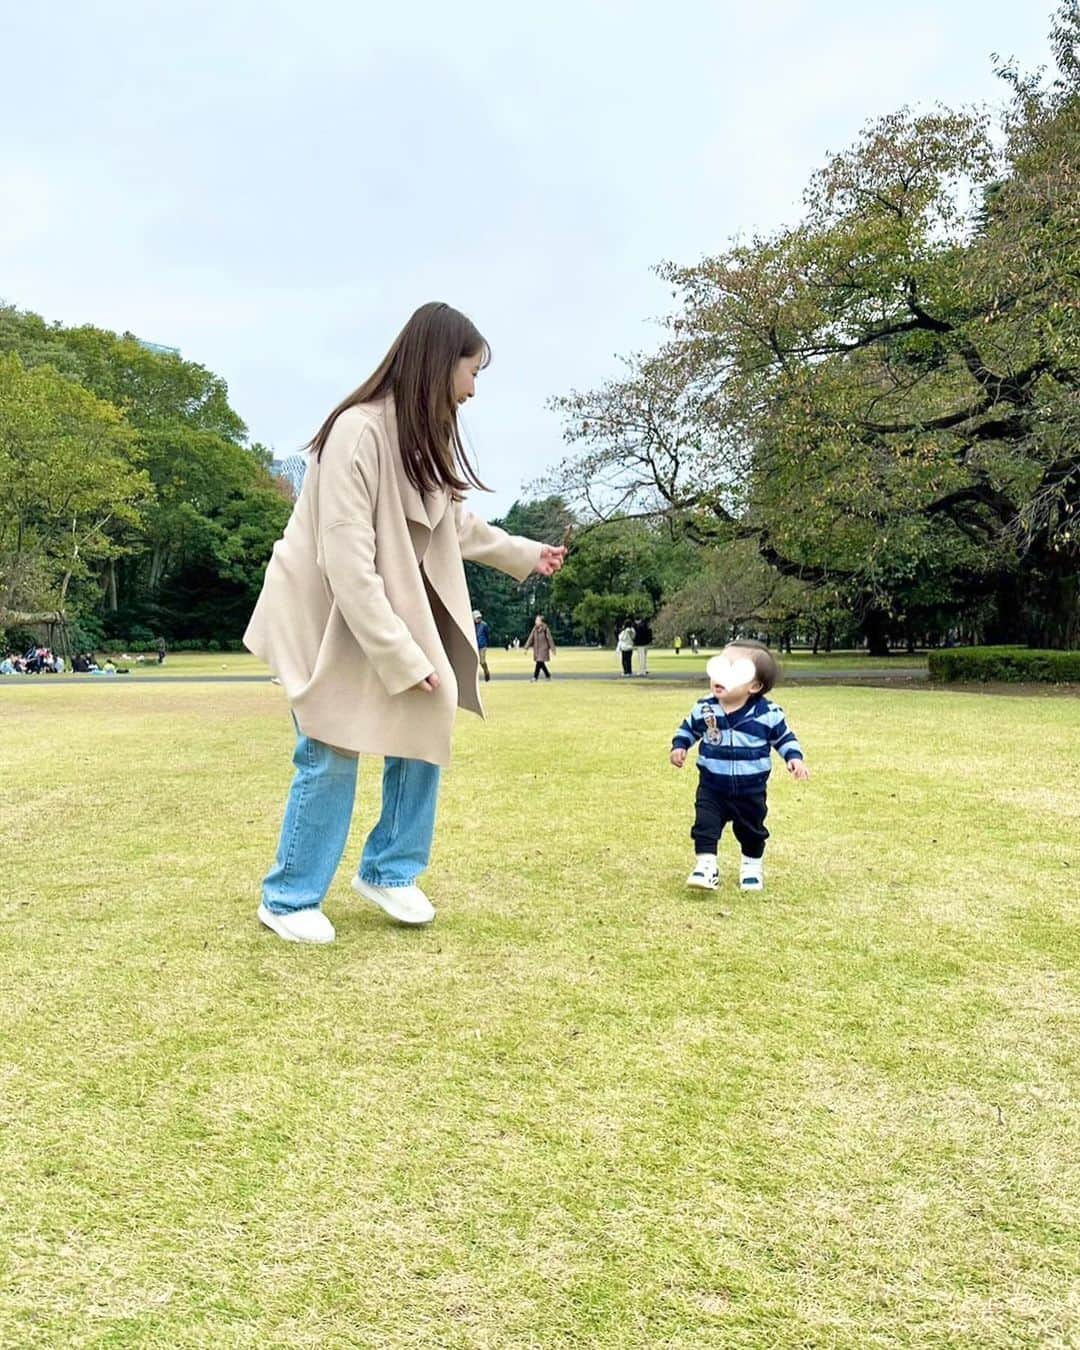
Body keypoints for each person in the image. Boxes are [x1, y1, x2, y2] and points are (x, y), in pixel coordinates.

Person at [244, 302, 566, 945]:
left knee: (430, 708)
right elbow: (344, 560)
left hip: (378, 607)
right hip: (324, 614)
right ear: (437, 362)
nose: (473, 388)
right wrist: (401, 653)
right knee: (329, 748)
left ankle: (390, 869)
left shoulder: (424, 436)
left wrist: (526, 554)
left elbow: (455, 524)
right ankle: (288, 897)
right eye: (471, 371)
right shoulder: (356, 432)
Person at [669, 639, 809, 893]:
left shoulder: (768, 713)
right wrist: (680, 745)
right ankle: (706, 866)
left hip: (751, 789)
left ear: (754, 686)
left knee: (752, 831)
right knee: (705, 825)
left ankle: (751, 865)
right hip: (712, 785)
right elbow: (688, 727)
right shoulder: (705, 708)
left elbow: (784, 737)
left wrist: (794, 758)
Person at [524, 614, 555, 680]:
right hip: (537, 649)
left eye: (537, 620)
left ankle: (535, 677)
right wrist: (526, 648)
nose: (536, 621)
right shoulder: (534, 629)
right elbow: (530, 638)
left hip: (544, 648)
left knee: (539, 662)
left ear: (541, 622)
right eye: (536, 620)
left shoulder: (545, 629)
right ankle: (548, 675)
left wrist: (553, 649)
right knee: (541, 663)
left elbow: (550, 639)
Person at [473, 609, 491, 682]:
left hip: (482, 646)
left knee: (482, 661)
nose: (478, 619)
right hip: (474, 646)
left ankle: (486, 672)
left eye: (479, 617)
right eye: (477, 618)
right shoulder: (472, 625)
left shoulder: (484, 625)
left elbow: (487, 635)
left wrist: (486, 643)